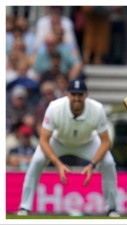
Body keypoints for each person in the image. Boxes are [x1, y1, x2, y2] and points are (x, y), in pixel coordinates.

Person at [16, 79, 120, 217]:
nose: (77, 98)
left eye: (80, 95)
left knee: (108, 163)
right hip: (59, 141)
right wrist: (58, 164)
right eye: (74, 94)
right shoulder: (54, 107)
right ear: (67, 95)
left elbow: (106, 142)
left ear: (86, 95)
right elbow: (44, 139)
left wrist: (92, 164)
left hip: (87, 142)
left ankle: (111, 209)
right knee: (37, 161)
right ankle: (24, 207)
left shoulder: (97, 109)